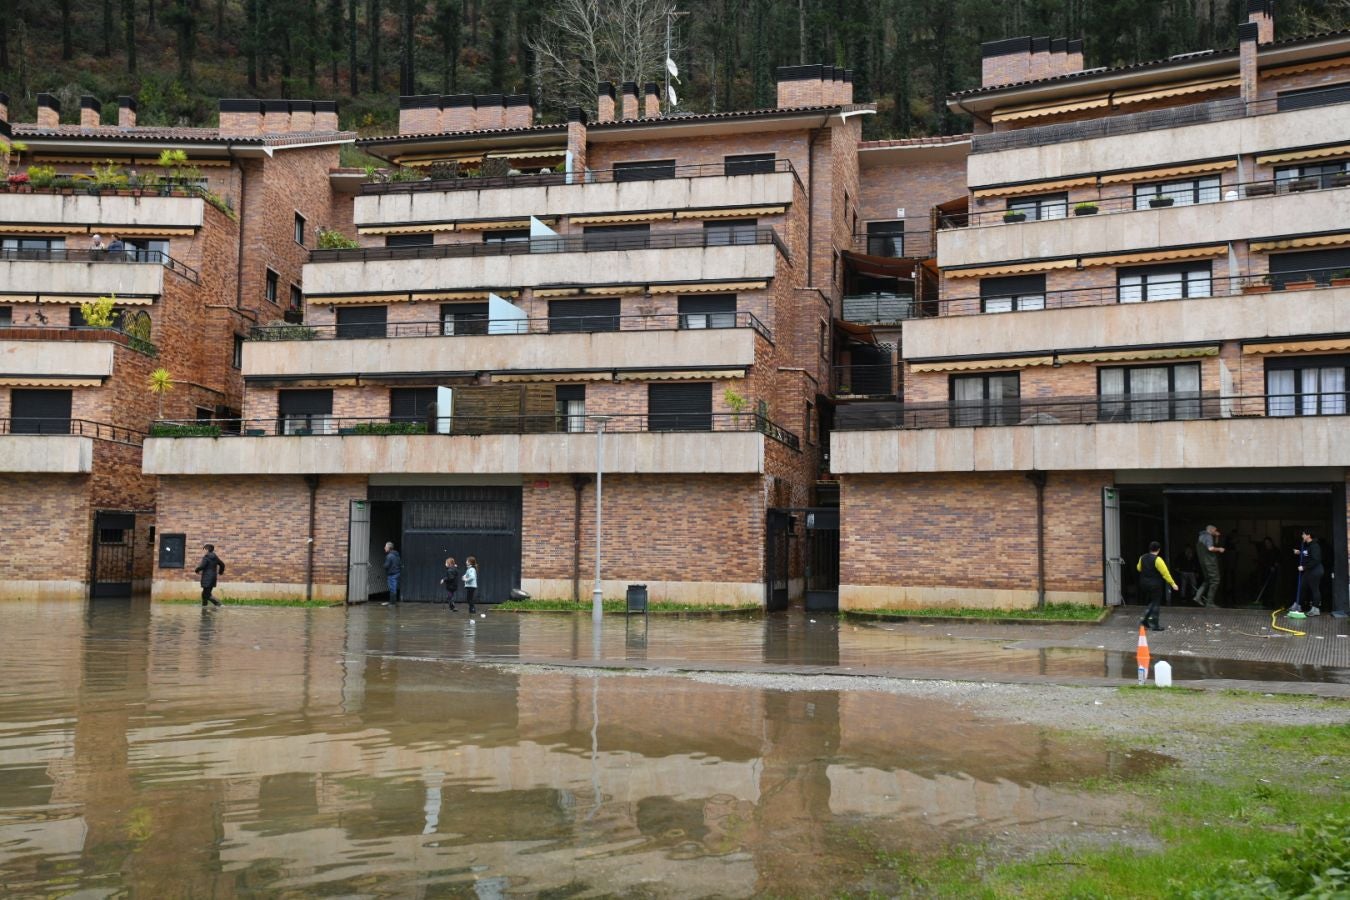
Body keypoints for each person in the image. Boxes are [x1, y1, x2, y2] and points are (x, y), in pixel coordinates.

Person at [1136, 541, 1178, 631]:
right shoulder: (1158, 560)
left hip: (1143, 584)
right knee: (1155, 603)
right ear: (1159, 549)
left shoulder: (1142, 557)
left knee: (1151, 602)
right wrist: (1173, 584)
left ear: (1149, 548)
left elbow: (1139, 568)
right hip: (1155, 585)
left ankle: (1145, 621)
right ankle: (1154, 624)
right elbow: (1165, 573)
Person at [1290, 530, 1323, 617]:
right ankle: (1298, 606)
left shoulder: (1315, 546)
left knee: (1314, 589)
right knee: (1302, 587)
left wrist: (1304, 567)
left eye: (1303, 534)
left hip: (1315, 571)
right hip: (1309, 571)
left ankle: (1315, 609)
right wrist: (1299, 553)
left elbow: (1316, 559)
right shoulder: (1308, 546)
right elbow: (1308, 555)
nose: (1302, 536)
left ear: (1308, 535)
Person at [1193, 525, 1225, 608]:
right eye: (1215, 530)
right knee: (1215, 580)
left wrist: (1217, 537)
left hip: (1203, 562)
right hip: (1210, 562)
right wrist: (1220, 549)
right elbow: (1210, 548)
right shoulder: (1208, 536)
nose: (1216, 531)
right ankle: (1210, 602)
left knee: (1207, 580)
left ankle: (1197, 596)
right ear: (1211, 530)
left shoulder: (1201, 536)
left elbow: (1212, 545)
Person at [194, 543, 225, 608]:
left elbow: (202, 566)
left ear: (207, 549)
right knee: (204, 593)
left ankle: (219, 604)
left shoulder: (206, 557)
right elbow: (222, 564)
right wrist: (220, 572)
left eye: (204, 549)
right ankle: (204, 606)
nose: (204, 551)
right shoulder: (215, 557)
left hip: (207, 578)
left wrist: (197, 570)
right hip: (213, 578)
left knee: (207, 594)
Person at [382, 541, 401, 606]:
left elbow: (386, 566)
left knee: (392, 588)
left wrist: (383, 565)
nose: (384, 548)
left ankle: (392, 603)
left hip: (392, 574)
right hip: (397, 573)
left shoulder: (389, 556)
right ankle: (392, 602)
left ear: (388, 548)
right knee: (394, 587)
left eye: (385, 547)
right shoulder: (396, 554)